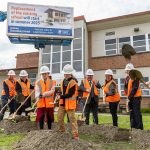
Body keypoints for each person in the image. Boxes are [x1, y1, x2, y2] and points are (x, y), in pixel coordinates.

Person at [57, 64, 79, 140]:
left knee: (72, 120)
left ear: (70, 73)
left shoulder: (73, 82)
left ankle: (75, 135)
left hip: (70, 105)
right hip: (62, 103)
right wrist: (59, 93)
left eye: (67, 73)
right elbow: (62, 91)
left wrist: (61, 96)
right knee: (59, 118)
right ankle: (62, 132)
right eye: (65, 73)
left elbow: (70, 94)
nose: (65, 75)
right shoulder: (63, 81)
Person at [125, 63, 143, 130]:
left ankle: (138, 129)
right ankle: (133, 128)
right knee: (132, 113)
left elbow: (134, 89)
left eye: (129, 71)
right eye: (127, 71)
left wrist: (129, 97)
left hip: (136, 99)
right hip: (132, 98)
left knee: (136, 114)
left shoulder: (135, 78)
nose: (128, 72)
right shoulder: (130, 79)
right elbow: (129, 89)